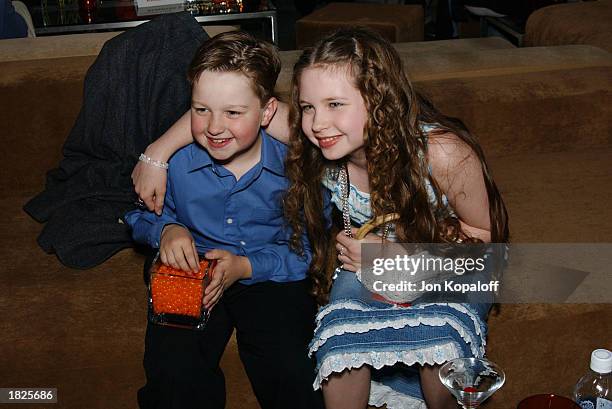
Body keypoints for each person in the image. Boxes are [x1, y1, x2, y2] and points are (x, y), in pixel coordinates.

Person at [132, 28, 508, 409]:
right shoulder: (319, 144)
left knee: (436, 345)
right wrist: (157, 153)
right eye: (307, 107)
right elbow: (223, 106)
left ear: (380, 100)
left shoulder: (441, 152)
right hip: (364, 263)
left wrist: (400, 258)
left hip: (443, 263)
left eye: (335, 104)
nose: (315, 123)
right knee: (338, 343)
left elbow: (486, 246)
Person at [124, 31, 324, 409]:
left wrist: (247, 266)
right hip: (189, 269)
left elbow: (314, 247)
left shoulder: (296, 166)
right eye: (201, 110)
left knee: (293, 371)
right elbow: (135, 213)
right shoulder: (175, 162)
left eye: (233, 113)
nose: (214, 127)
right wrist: (166, 229)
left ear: (267, 112)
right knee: (173, 375)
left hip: (267, 271)